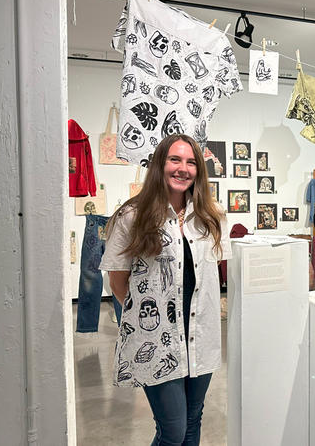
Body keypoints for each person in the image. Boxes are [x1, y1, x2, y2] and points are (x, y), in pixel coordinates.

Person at [100, 134, 230, 445]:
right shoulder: (132, 216)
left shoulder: (211, 217)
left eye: (190, 162)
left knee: (192, 420)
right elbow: (119, 281)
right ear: (160, 164)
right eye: (175, 159)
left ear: (199, 169)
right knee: (172, 431)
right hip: (157, 341)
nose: (183, 168)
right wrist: (152, 318)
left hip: (201, 336)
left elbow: (214, 275)